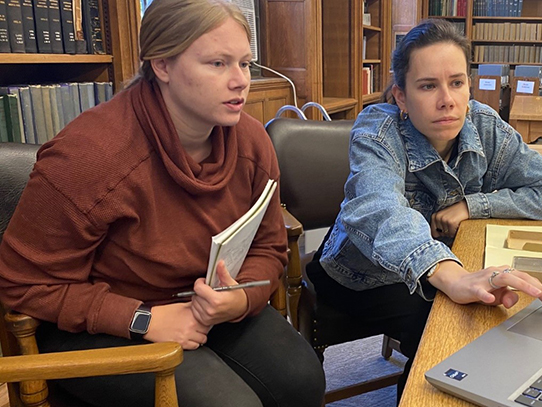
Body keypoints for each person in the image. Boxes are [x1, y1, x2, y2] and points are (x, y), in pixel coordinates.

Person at [0, 1, 324, 406]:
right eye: (218, 63)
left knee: (303, 380)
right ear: (162, 65)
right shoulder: (89, 158)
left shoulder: (253, 143)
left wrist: (239, 298)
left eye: (245, 63)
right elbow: (20, 283)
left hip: (201, 301)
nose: (241, 80)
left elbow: (268, 246)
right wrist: (142, 320)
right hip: (99, 323)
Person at [305, 18, 542, 398]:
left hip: (438, 267)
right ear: (401, 96)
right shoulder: (377, 131)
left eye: (456, 82)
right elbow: (380, 209)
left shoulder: (484, 126)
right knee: (447, 322)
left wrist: (474, 204)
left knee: (495, 308)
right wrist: (451, 274)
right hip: (357, 274)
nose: (447, 100)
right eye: (427, 86)